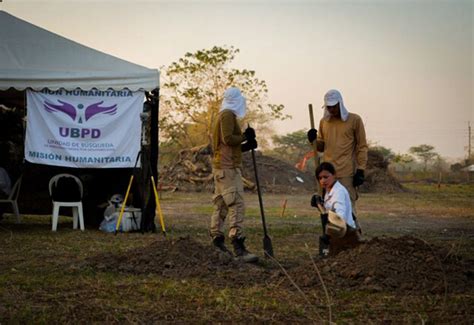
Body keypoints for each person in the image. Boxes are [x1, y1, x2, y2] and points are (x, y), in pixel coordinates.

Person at [209, 87, 259, 263]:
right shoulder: (227, 115)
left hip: (222, 167)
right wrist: (245, 136)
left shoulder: (223, 115)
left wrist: (247, 144)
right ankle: (238, 246)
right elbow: (229, 139)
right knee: (236, 203)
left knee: (221, 204)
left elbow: (229, 146)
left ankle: (217, 240)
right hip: (228, 169)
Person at [307, 89, 368, 230]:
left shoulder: (354, 120)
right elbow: (321, 147)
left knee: (348, 211)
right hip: (327, 174)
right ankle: (336, 244)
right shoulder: (324, 122)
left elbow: (362, 146)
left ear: (340, 104)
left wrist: (361, 169)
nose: (332, 109)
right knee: (330, 210)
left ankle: (355, 242)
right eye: (328, 106)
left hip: (346, 173)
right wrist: (313, 140)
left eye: (334, 106)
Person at [311, 162, 360, 257]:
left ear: (334, 175)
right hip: (336, 230)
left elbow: (339, 215)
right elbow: (329, 210)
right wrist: (319, 204)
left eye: (326, 177)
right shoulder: (328, 190)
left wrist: (330, 233)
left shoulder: (338, 192)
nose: (323, 180)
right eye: (320, 178)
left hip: (345, 233)